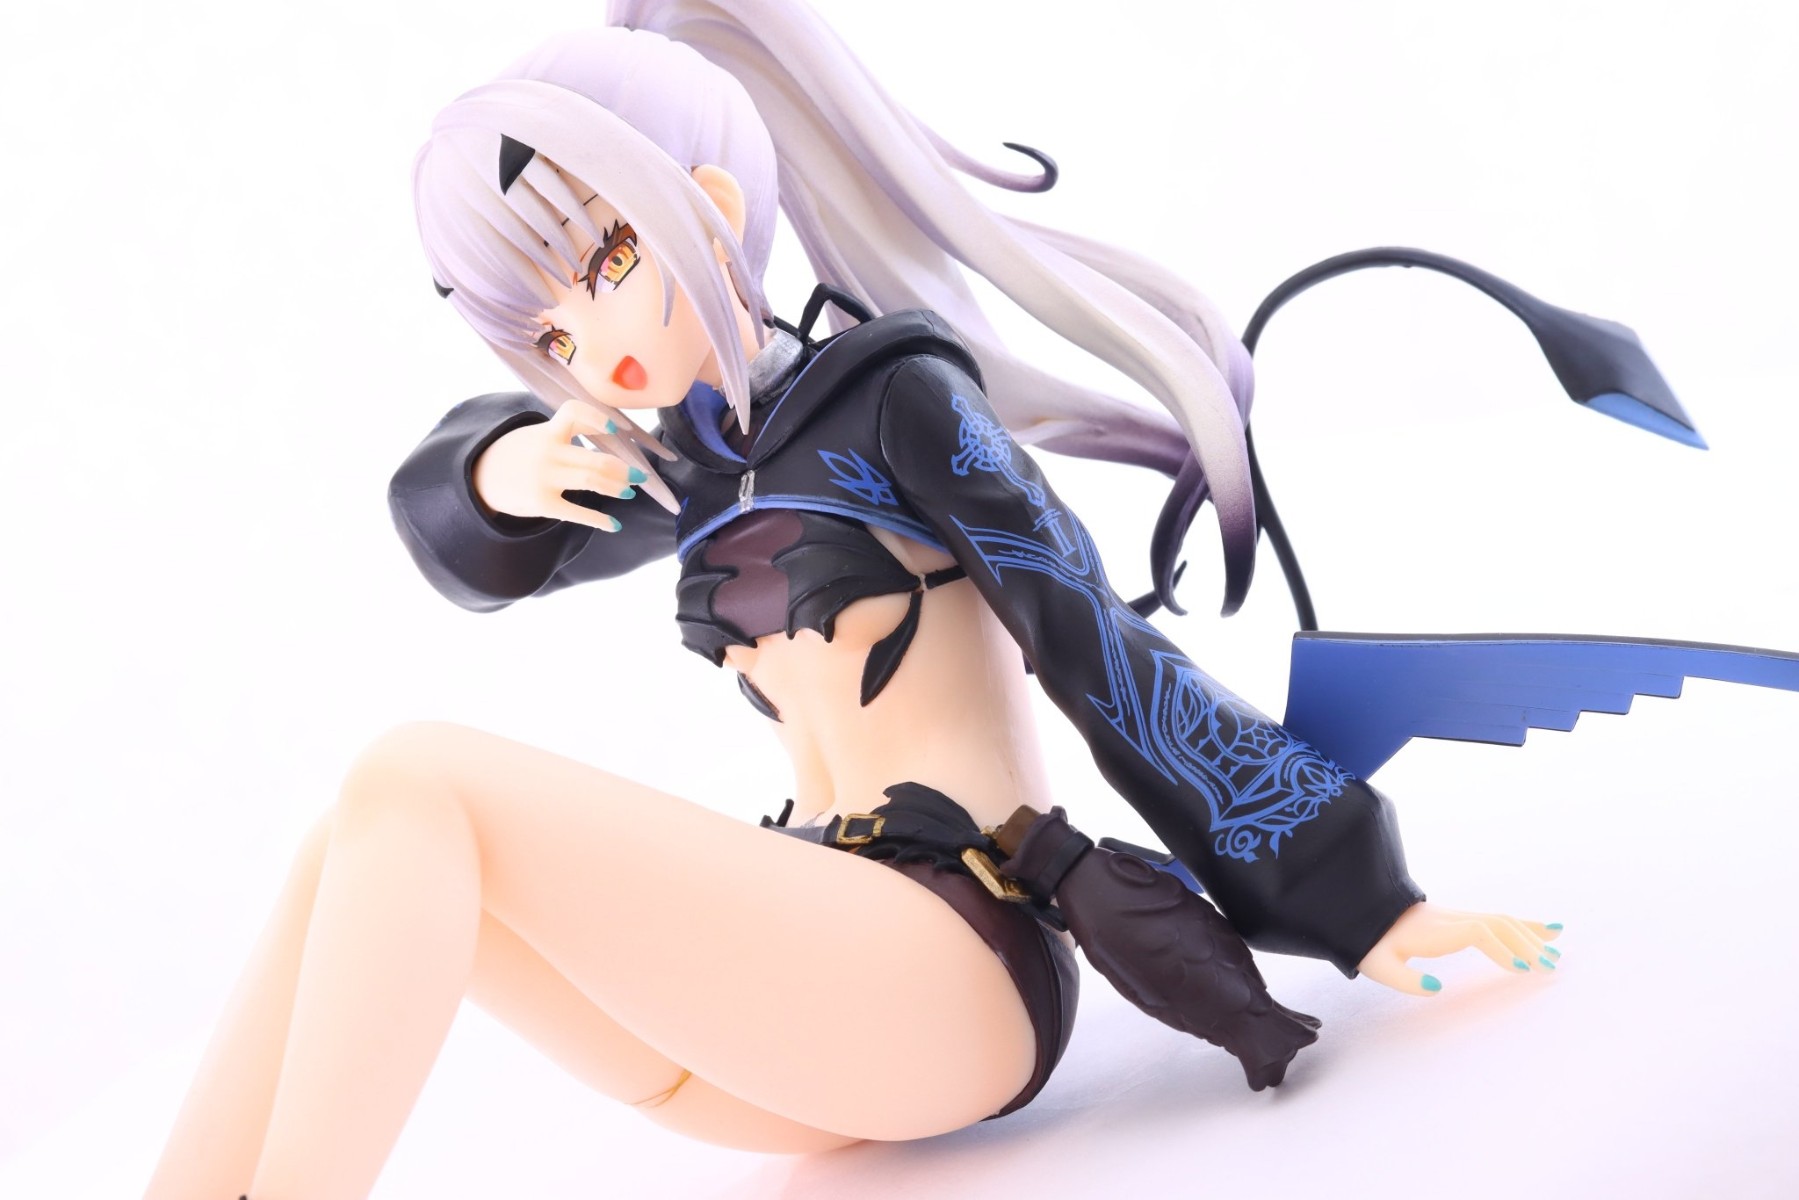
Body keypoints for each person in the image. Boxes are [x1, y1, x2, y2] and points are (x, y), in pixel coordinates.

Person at [144, 3, 1556, 1197]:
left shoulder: (892, 401)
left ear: (706, 208)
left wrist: (1362, 901)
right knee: (360, 832)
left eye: (606, 265)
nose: (585, 345)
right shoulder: (688, 465)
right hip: (807, 1008)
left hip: (954, 963)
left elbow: (1094, 642)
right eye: (547, 327)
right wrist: (500, 466)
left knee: (417, 774)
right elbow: (467, 539)